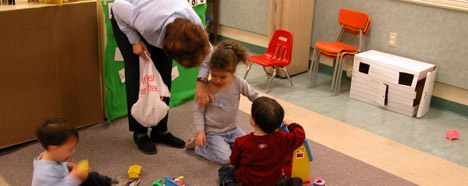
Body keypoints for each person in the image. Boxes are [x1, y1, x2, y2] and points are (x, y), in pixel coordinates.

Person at [111, 0, 214, 154]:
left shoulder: (195, 25)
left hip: (161, 20)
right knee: (138, 76)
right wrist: (135, 40)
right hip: (127, 18)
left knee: (164, 75)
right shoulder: (145, 22)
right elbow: (117, 6)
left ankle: (160, 131)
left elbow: (208, 52)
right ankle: (139, 132)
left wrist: (202, 81)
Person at [185, 40, 261, 165]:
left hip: (233, 129)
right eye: (213, 75)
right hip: (213, 132)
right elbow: (198, 111)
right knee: (226, 159)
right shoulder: (206, 88)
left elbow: (256, 96)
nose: (217, 80)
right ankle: (200, 147)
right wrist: (201, 132)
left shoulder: (239, 83)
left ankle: (222, 145)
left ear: (234, 71)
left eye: (223, 77)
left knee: (250, 148)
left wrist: (266, 109)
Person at [218, 97, 306, 186]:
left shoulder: (241, 142)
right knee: (296, 180)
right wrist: (290, 124)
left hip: (248, 182)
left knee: (225, 170)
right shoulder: (284, 139)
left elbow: (234, 162)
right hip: (272, 180)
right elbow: (300, 135)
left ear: (253, 122)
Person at [32, 118, 129, 186]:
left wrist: (69, 166)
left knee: (90, 176)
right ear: (54, 149)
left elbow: (57, 166)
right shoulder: (44, 173)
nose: (73, 151)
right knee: (83, 178)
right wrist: (74, 176)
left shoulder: (48, 157)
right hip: (67, 183)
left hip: (67, 181)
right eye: (70, 149)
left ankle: (113, 184)